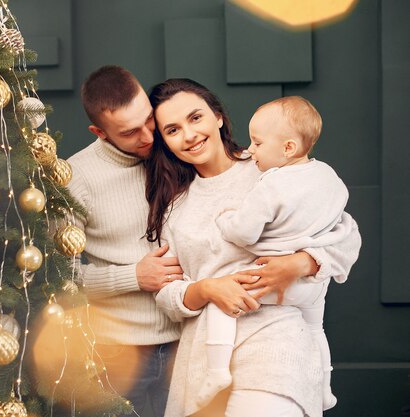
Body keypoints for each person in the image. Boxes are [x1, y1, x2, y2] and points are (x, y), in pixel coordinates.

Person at [145, 79, 361, 417]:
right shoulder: (175, 206)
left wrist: (299, 264)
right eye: (173, 129)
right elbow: (167, 296)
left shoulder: (274, 166)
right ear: (165, 142)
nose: (189, 134)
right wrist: (206, 289)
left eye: (196, 118)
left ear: (217, 116)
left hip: (276, 345)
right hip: (204, 359)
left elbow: (347, 238)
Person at [197, 96, 349, 410]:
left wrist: (225, 220)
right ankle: (324, 388)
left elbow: (243, 233)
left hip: (268, 277)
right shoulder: (330, 179)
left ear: (288, 148)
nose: (250, 150)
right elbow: (340, 222)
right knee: (315, 328)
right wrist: (310, 257)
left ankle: (215, 373)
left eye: (257, 142)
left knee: (221, 303)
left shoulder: (270, 185)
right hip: (313, 287)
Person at [66, 65, 185, 416]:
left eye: (149, 119)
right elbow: (58, 277)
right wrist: (134, 276)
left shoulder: (177, 149)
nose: (149, 135)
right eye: (130, 132)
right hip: (116, 353)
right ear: (99, 132)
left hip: (185, 343)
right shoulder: (76, 177)